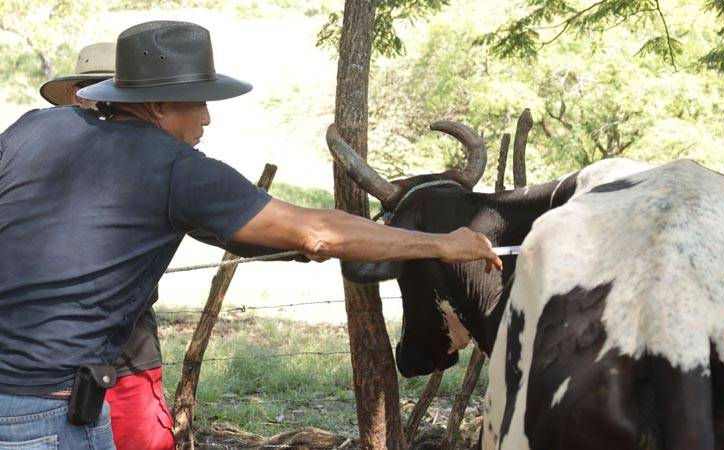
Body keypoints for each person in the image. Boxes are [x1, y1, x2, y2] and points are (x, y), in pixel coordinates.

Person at [0, 20, 501, 449]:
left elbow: (249, 233)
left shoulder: (34, 129)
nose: (207, 116)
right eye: (198, 101)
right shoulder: (180, 169)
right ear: (156, 104)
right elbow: (318, 233)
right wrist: (441, 243)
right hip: (47, 414)